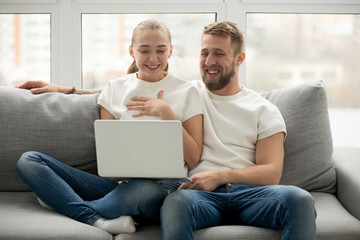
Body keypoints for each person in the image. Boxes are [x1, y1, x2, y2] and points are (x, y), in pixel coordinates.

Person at [18, 21, 316, 240]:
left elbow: (271, 173)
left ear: (239, 59)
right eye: (204, 53)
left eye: (220, 54)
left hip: (248, 194)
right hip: (190, 194)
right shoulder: (191, 90)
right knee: (175, 204)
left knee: (300, 199)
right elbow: (122, 90)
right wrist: (65, 90)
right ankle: (86, 209)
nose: (210, 62)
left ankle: (63, 201)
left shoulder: (261, 108)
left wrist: (220, 175)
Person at [16, 20, 203, 235]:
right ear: (132, 51)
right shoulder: (115, 88)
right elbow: (109, 151)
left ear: (170, 51)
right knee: (29, 160)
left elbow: (193, 156)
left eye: (161, 50)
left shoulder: (187, 91)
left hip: (163, 188)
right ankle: (97, 219)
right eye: (144, 50)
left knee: (144, 191)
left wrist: (167, 114)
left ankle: (63, 202)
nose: (153, 58)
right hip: (117, 185)